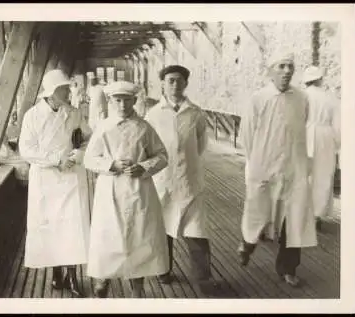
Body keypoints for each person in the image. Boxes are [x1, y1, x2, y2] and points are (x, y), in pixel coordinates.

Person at [84, 80, 170, 298]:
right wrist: (109, 165)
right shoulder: (103, 127)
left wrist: (143, 166)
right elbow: (89, 158)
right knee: (108, 235)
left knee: (138, 237)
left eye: (127, 100)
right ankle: (103, 277)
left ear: (134, 100)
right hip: (110, 188)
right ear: (111, 101)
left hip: (138, 189)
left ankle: (137, 286)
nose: (123, 105)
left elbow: (162, 156)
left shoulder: (144, 127)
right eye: (118, 100)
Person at [238, 51, 317, 287]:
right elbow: (246, 136)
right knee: (258, 212)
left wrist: (302, 163)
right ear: (271, 70)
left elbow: (304, 129)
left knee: (294, 219)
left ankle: (288, 268)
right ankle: (247, 243)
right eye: (281, 66)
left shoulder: (301, 98)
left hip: (293, 168)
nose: (286, 71)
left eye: (290, 67)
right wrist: (257, 163)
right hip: (264, 166)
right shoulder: (258, 98)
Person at [145, 65, 220, 293]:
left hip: (189, 179)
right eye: (170, 81)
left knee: (196, 230)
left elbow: (200, 144)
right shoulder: (154, 115)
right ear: (163, 84)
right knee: (162, 228)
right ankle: (163, 269)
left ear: (186, 84)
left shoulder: (195, 113)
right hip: (163, 179)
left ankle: (203, 278)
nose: (175, 85)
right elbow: (148, 146)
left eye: (179, 80)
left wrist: (187, 164)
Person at [18, 69, 92, 297]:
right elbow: (26, 150)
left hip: (71, 176)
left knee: (72, 227)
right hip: (46, 179)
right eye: (63, 89)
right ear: (51, 92)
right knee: (50, 227)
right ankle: (56, 274)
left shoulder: (75, 113)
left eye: (68, 88)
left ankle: (72, 277)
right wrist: (54, 159)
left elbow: (88, 138)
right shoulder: (32, 116)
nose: (68, 91)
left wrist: (76, 155)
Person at [302, 66, 341, 231]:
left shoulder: (301, 96)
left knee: (305, 175)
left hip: (305, 135)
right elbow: (338, 125)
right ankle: (317, 214)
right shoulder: (330, 98)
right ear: (320, 79)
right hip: (325, 137)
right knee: (323, 176)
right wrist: (337, 145)